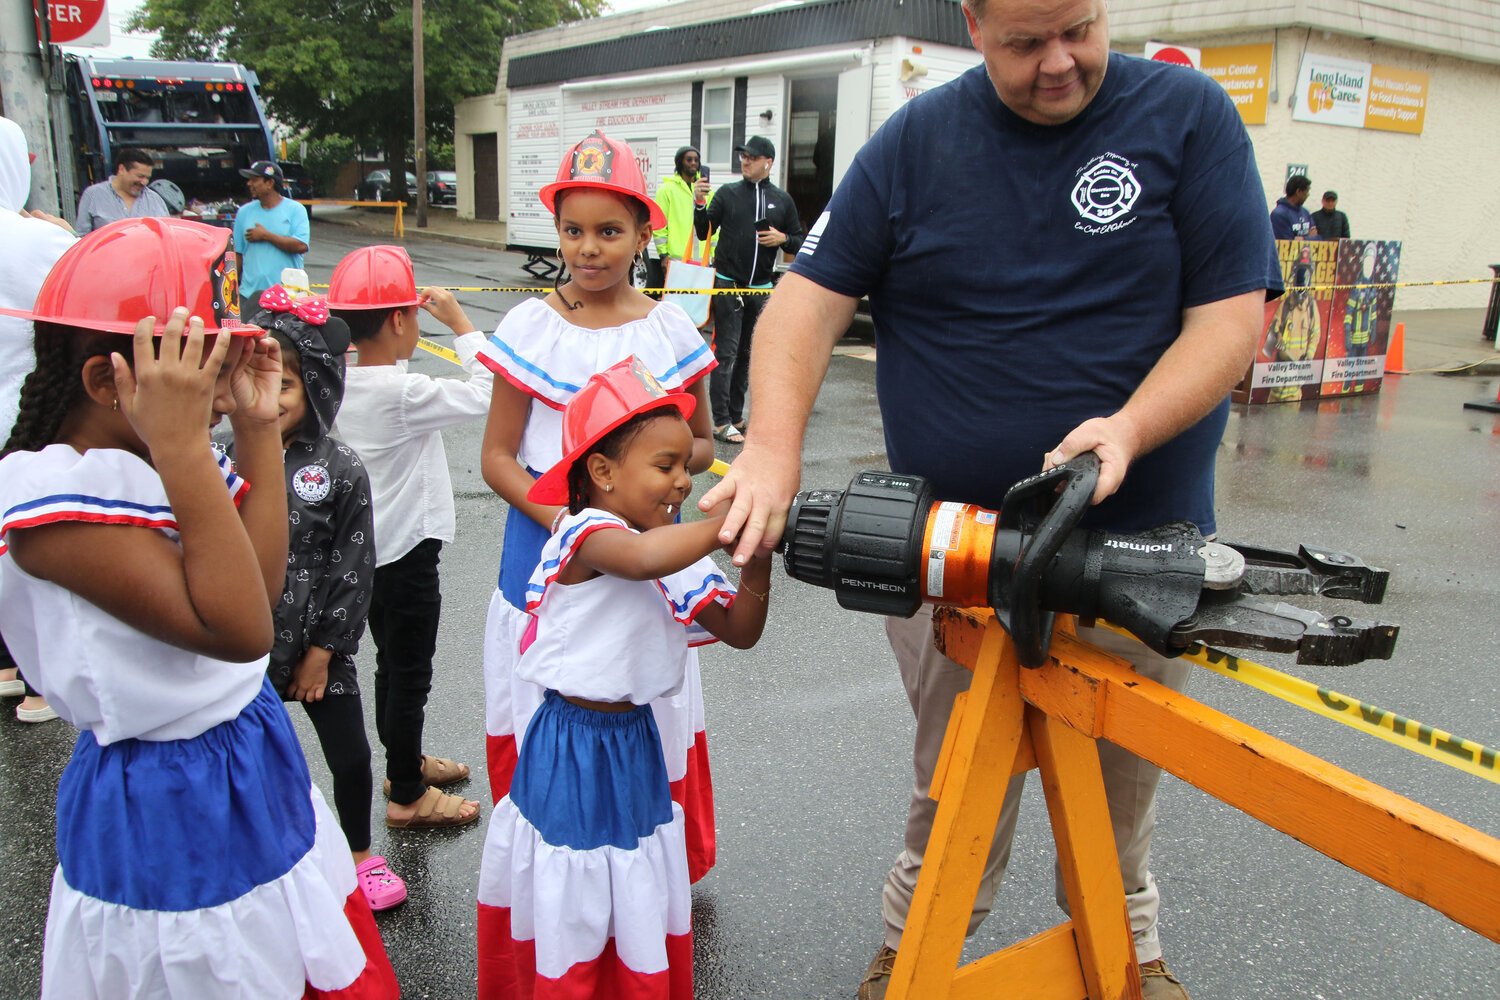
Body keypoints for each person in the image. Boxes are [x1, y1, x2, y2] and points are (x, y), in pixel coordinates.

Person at [698, 1, 1282, 997]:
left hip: (1139, 553)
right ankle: (917, 941)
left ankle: (1127, 953)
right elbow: (805, 303)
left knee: (1120, 788)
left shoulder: (1189, 114)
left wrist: (1127, 430)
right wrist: (771, 452)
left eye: (1080, 28)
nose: (1060, 63)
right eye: (1024, 42)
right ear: (973, 23)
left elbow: (1232, 319)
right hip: (953, 551)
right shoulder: (917, 140)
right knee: (953, 773)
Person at [0, 217, 398, 999]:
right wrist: (187, 450)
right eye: (204, 365)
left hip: (243, 753)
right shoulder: (51, 503)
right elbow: (243, 632)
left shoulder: (157, 453)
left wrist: (254, 432)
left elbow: (260, 580)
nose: (225, 390)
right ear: (107, 382)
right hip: (165, 800)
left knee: (287, 945)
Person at [476, 356, 770, 999]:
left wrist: (759, 559)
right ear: (602, 472)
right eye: (665, 467)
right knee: (572, 887)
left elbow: (741, 629)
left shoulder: (673, 548)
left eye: (684, 467)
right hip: (569, 743)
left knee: (628, 882)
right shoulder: (586, 533)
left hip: (635, 742)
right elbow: (637, 560)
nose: (681, 483)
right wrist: (727, 525)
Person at [476, 130, 719, 883]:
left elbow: (705, 442)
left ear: (645, 233)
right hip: (541, 562)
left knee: (643, 705)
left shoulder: (670, 327)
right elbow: (496, 457)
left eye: (610, 231)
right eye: (573, 230)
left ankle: (648, 880)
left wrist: (657, 478)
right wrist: (573, 525)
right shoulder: (529, 327)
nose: (589, 249)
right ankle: (548, 890)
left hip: (652, 567)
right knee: (544, 717)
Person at [242, 288, 407, 912]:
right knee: (251, 757)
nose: (271, 398)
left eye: (284, 383)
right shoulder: (221, 457)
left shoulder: (339, 467)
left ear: (317, 386)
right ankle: (266, 856)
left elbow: (353, 564)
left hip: (319, 646)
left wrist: (323, 651)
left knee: (350, 754)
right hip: (243, 645)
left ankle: (362, 853)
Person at [328, 245, 490, 831]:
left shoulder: (337, 380)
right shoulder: (401, 393)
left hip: (364, 554)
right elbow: (490, 389)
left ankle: (405, 762)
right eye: (414, 316)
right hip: (406, 554)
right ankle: (406, 794)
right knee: (409, 672)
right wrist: (462, 324)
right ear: (399, 321)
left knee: (389, 667)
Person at [0, 115, 76, 723]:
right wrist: (67, 232)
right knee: (36, 540)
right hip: (27, 413)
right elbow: (96, 280)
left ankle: (4, 661)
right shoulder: (38, 241)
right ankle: (38, 683)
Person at [692, 134, 804, 444]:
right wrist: (699, 204)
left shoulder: (782, 200)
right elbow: (703, 233)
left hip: (761, 288)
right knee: (726, 352)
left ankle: (737, 416)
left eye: (752, 157)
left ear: (768, 163)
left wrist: (783, 239)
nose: (745, 160)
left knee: (746, 355)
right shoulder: (728, 194)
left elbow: (799, 240)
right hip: (729, 286)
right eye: (743, 156)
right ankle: (720, 421)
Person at [233, 160, 310, 313]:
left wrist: (266, 235)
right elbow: (238, 256)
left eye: (254, 180)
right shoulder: (243, 213)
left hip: (287, 297)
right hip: (249, 296)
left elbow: (301, 245)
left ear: (269, 183)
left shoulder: (295, 210)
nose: (249, 184)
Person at [650, 144, 711, 293]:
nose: (693, 163)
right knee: (677, 304)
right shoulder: (667, 190)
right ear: (679, 162)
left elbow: (712, 226)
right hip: (677, 259)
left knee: (699, 307)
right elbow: (659, 225)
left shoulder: (706, 190)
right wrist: (663, 255)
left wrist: (713, 254)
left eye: (696, 160)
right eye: (689, 159)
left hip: (702, 260)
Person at [73, 147, 170, 235]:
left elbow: (166, 236)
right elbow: (82, 238)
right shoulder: (93, 195)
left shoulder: (155, 200)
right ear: (122, 169)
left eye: (147, 178)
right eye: (140, 176)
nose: (144, 182)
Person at [1271, 174, 1318, 241]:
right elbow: (1286, 242)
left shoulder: (1305, 212)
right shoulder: (1279, 214)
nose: (1308, 195)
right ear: (1298, 191)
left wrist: (1302, 239)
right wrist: (1308, 238)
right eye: (1307, 191)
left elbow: (1316, 237)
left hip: (1306, 251)